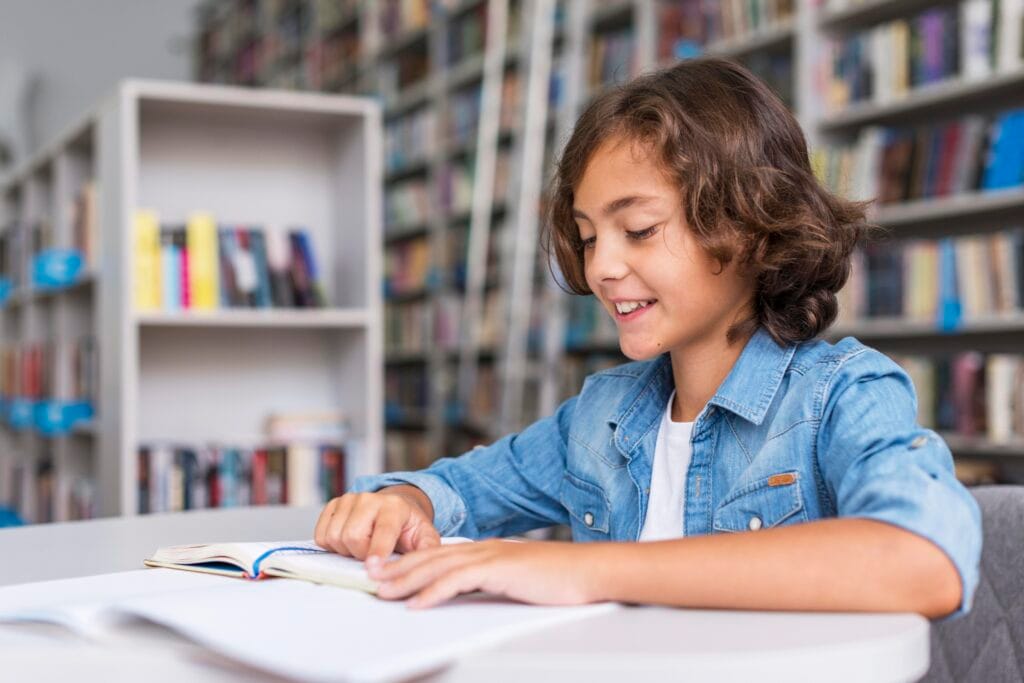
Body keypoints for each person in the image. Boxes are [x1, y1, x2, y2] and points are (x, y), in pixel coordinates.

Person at [314, 57, 981, 617]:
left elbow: (925, 558)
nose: (601, 265)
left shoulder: (842, 395)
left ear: (750, 225)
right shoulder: (602, 416)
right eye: (587, 235)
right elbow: (460, 488)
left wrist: (591, 569)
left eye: (637, 229)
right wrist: (399, 503)